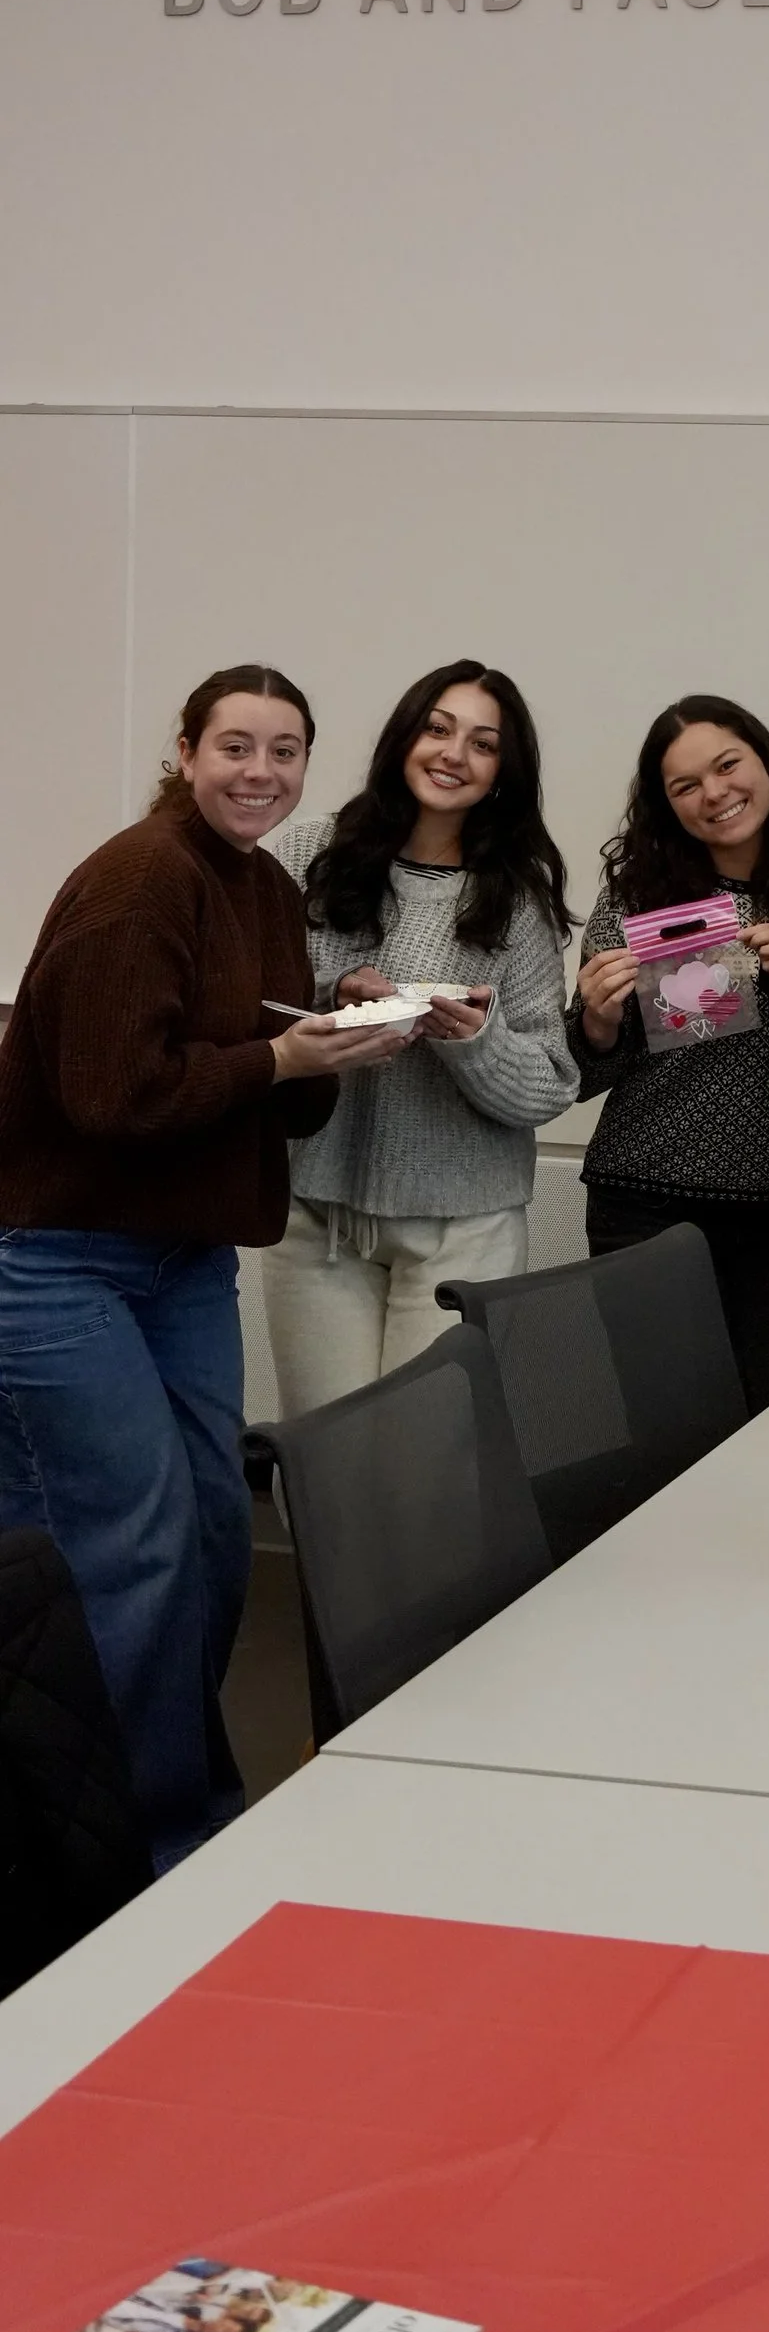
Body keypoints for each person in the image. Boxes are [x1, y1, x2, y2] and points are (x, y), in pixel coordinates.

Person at [0, 667, 410, 1867]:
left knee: (216, 1531)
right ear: (186, 751)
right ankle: (126, 1849)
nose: (261, 773)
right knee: (128, 1546)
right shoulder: (143, 879)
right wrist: (281, 1062)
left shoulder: (263, 887)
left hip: (174, 1258)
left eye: (286, 753)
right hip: (56, 1258)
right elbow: (112, 1096)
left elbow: (258, 1096)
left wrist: (339, 1036)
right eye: (237, 746)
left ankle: (176, 1810)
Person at [262, 661, 576, 1412]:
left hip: (463, 1229)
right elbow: (247, 1008)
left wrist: (475, 1040)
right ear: (404, 738)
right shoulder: (305, 854)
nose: (452, 755)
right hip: (315, 1216)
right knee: (321, 1459)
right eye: (437, 729)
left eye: (482, 743)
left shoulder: (517, 898)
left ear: (504, 770)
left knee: (429, 1469)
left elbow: (549, 1085)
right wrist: (335, 996)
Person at [570, 697, 769, 1413]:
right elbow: (585, 1072)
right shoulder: (638, 895)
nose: (715, 793)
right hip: (644, 1200)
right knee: (662, 1431)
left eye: (727, 765)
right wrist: (598, 1026)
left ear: (766, 761)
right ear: (665, 805)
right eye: (685, 786)